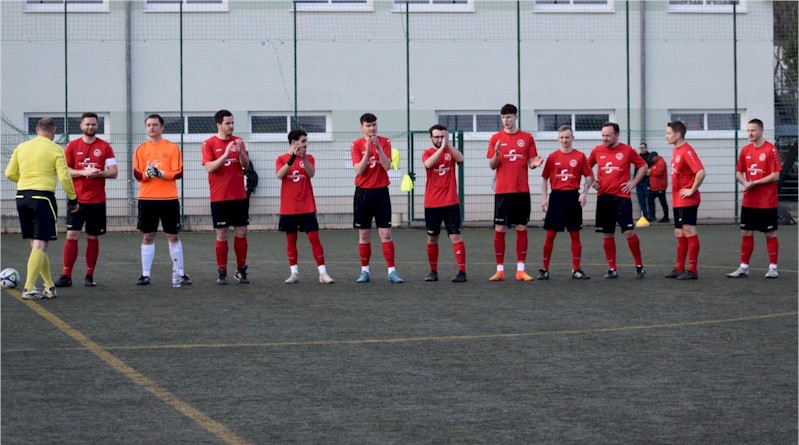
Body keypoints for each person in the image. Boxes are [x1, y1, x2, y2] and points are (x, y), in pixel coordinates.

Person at [5, 117, 78, 300]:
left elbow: (10, 173)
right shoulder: (55, 149)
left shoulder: (22, 147)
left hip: (22, 197)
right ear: (53, 131)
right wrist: (73, 199)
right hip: (42, 198)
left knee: (36, 244)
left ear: (37, 129)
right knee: (41, 243)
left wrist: (25, 181)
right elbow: (64, 177)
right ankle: (29, 288)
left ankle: (49, 287)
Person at [53, 112, 118, 288]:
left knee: (92, 236)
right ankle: (66, 275)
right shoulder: (72, 146)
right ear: (81, 126)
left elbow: (113, 172)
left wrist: (99, 173)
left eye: (93, 124)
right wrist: (83, 172)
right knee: (72, 234)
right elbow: (65, 170)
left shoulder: (105, 147)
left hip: (97, 201)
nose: (90, 127)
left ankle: (89, 275)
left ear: (98, 126)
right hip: (77, 199)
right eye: (87, 124)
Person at [486, 104, 543, 282]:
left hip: (521, 191)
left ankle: (520, 270)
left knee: (521, 227)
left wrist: (535, 165)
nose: (506, 120)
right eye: (503, 117)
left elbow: (532, 161)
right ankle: (500, 270)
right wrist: (496, 153)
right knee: (500, 228)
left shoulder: (527, 138)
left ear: (516, 117)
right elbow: (492, 165)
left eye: (509, 117)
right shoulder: (496, 138)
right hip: (503, 191)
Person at [132, 114, 190, 286]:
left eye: (155, 125)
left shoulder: (172, 148)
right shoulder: (140, 149)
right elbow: (137, 174)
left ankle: (179, 273)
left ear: (162, 127)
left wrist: (161, 174)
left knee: (172, 235)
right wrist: (147, 174)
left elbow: (178, 172)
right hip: (147, 198)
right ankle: (145, 274)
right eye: (149, 125)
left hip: (168, 198)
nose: (152, 128)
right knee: (148, 235)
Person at [588, 122, 648, 279]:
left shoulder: (627, 150)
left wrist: (633, 182)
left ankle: (639, 266)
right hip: (604, 198)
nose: (604, 138)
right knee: (607, 234)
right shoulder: (597, 150)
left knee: (628, 232)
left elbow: (643, 166)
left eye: (607, 135)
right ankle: (612, 268)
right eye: (603, 135)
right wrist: (593, 181)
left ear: (617, 135)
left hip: (622, 198)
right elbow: (586, 168)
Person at [276, 129, 335, 284]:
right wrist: (292, 159)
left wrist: (303, 159)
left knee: (314, 239)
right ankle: (294, 273)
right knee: (291, 240)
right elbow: (279, 175)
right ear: (294, 142)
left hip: (307, 206)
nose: (305, 144)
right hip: (289, 208)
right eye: (303, 141)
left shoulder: (309, 158)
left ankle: (323, 273)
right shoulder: (281, 158)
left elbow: (311, 173)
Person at [350, 113, 403, 283]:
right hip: (363, 193)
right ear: (362, 127)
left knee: (386, 233)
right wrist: (367, 151)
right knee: (364, 234)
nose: (372, 128)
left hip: (381, 192)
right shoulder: (356, 144)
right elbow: (359, 170)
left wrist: (378, 148)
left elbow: (387, 166)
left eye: (374, 125)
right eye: (368, 125)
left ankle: (391, 272)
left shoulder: (385, 141)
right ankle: (365, 271)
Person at [727, 118, 782, 279]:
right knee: (746, 232)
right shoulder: (745, 150)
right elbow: (738, 172)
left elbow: (776, 175)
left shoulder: (770, 150)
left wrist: (755, 182)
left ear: (761, 131)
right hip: (749, 201)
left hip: (767, 201)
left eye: (753, 130)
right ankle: (744, 267)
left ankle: (773, 268)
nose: (750, 133)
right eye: (748, 130)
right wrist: (745, 182)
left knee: (770, 233)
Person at [537, 125, 594, 280]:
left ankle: (576, 269)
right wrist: (544, 198)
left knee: (575, 234)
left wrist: (584, 193)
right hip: (556, 198)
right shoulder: (552, 157)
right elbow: (544, 178)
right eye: (561, 137)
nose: (564, 140)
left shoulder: (580, 156)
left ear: (573, 138)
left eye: (567, 137)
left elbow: (589, 177)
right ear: (558, 139)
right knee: (550, 234)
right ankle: (544, 269)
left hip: (573, 197)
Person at [202, 109, 251, 285]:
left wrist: (240, 153)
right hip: (220, 197)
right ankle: (222, 271)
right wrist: (225, 154)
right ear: (219, 125)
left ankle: (241, 270)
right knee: (222, 234)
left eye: (232, 123)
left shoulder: (238, 141)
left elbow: (246, 165)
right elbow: (209, 168)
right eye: (227, 123)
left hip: (239, 195)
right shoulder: (208, 143)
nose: (231, 126)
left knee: (241, 232)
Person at [422, 124, 467, 283]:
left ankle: (462, 271)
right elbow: (428, 164)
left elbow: (460, 158)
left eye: (442, 137)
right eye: (436, 137)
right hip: (432, 204)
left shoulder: (450, 151)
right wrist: (442, 148)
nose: (439, 139)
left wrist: (448, 144)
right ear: (431, 138)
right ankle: (433, 271)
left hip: (451, 202)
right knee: (432, 238)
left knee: (455, 236)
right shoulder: (427, 153)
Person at [663, 121, 706, 280]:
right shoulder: (676, 150)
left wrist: (691, 190)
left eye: (668, 133)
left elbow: (701, 172)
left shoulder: (687, 151)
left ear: (678, 134)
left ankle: (692, 270)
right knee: (679, 232)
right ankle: (680, 268)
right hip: (677, 200)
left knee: (689, 231)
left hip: (687, 200)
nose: (666, 136)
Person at [647, 151, 669, 223]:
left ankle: (666, 217)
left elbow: (658, 172)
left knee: (663, 202)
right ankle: (652, 216)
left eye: (651, 158)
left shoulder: (661, 162)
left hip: (660, 187)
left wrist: (651, 171)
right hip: (654, 187)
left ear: (655, 157)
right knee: (650, 200)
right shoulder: (655, 163)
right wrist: (651, 171)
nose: (651, 160)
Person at [635, 142, 656, 221]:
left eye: (643, 147)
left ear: (646, 148)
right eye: (641, 148)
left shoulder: (650, 157)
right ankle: (644, 216)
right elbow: (636, 170)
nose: (642, 149)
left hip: (647, 182)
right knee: (641, 200)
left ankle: (652, 216)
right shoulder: (638, 157)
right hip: (639, 182)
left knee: (649, 200)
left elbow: (651, 170)